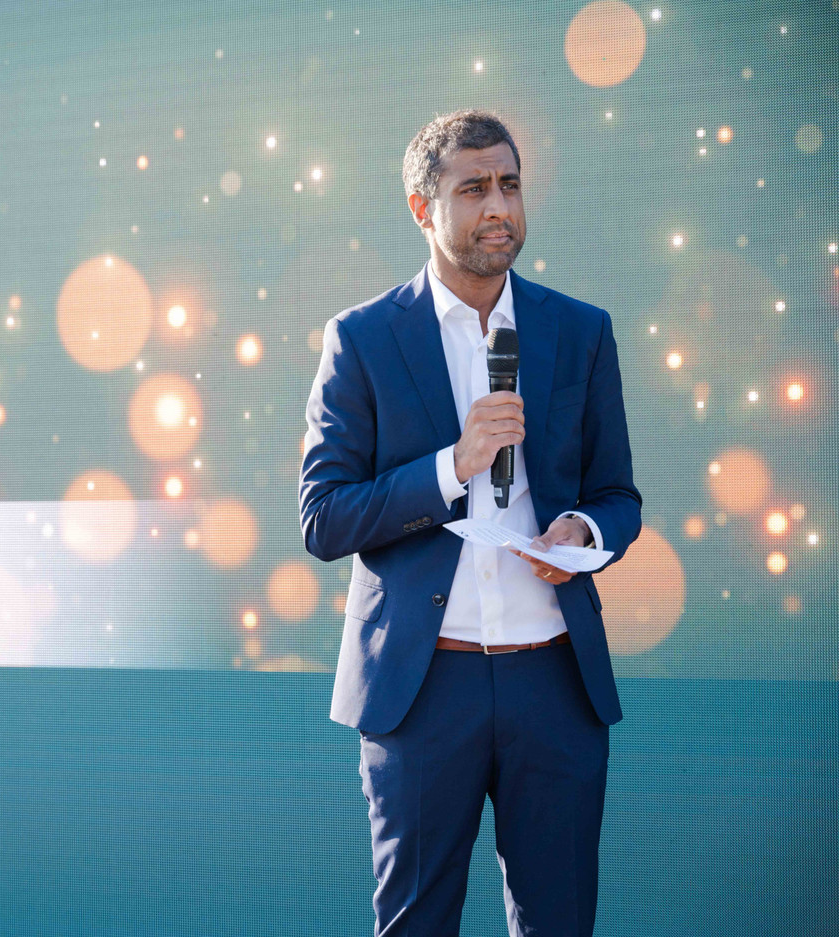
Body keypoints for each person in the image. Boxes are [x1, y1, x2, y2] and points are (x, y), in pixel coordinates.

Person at [298, 109, 642, 936]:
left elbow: (618, 496)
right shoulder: (364, 338)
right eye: (474, 188)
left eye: (511, 186)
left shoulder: (580, 330)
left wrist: (584, 534)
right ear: (423, 209)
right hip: (423, 691)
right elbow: (323, 516)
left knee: (559, 921)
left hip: (554, 683)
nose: (500, 208)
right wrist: (452, 466)